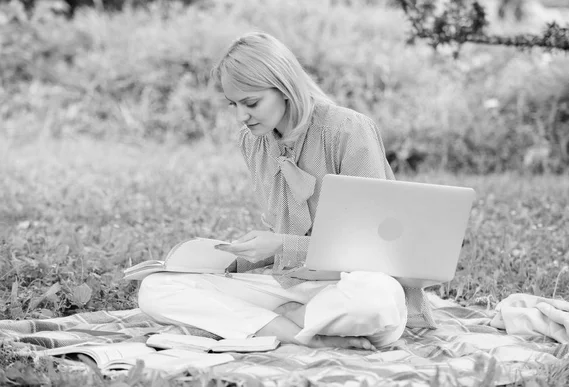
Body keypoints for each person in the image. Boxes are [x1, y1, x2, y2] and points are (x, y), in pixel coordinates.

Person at [138, 32, 434, 350]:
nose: (241, 116)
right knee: (156, 289)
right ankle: (301, 331)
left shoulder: (348, 130)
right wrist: (235, 258)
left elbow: (373, 247)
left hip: (349, 285)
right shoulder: (252, 141)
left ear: (285, 89)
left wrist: (280, 245)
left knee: (374, 303)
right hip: (289, 284)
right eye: (233, 104)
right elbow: (282, 235)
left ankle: (270, 322)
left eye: (251, 103)